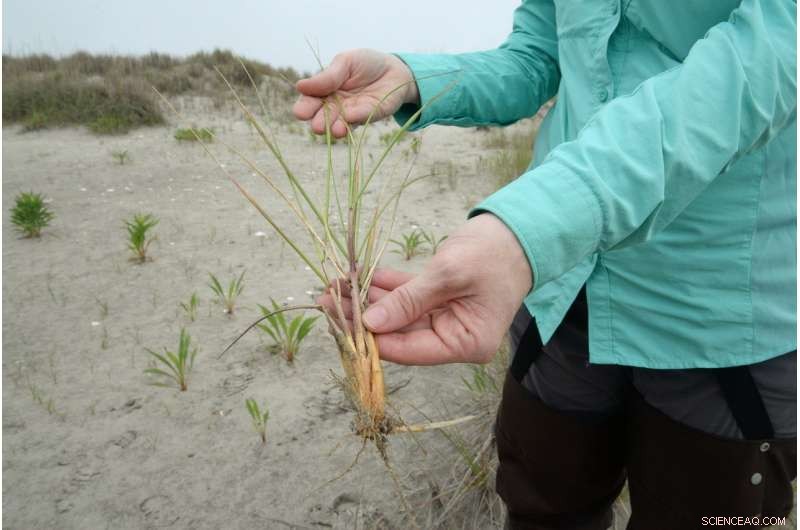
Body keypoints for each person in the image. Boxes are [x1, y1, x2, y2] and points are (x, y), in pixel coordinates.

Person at [293, 1, 797, 528]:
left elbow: (761, 67)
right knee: (542, 510)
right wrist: (417, 78)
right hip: (560, 293)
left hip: (721, 320)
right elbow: (539, 57)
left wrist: (529, 230)